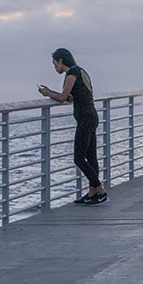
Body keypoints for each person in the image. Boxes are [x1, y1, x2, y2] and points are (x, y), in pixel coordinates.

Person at [38, 48, 108, 205]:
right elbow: (71, 97)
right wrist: (50, 92)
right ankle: (92, 194)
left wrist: (48, 93)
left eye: (55, 63)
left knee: (78, 158)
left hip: (85, 119)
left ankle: (100, 191)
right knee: (91, 157)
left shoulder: (72, 74)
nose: (54, 67)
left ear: (61, 61)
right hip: (91, 116)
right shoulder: (79, 71)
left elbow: (63, 98)